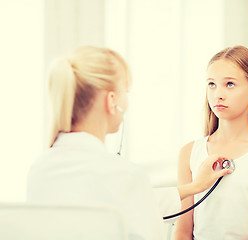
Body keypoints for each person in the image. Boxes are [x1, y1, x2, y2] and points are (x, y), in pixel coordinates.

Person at [26, 45, 231, 240]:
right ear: (112, 100)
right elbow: (130, 199)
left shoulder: (40, 169)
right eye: (127, 91)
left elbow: (121, 201)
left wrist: (195, 187)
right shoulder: (125, 175)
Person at [174, 46, 248, 240]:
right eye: (212, 84)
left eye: (230, 84)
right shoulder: (189, 152)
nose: (218, 94)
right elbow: (183, 233)